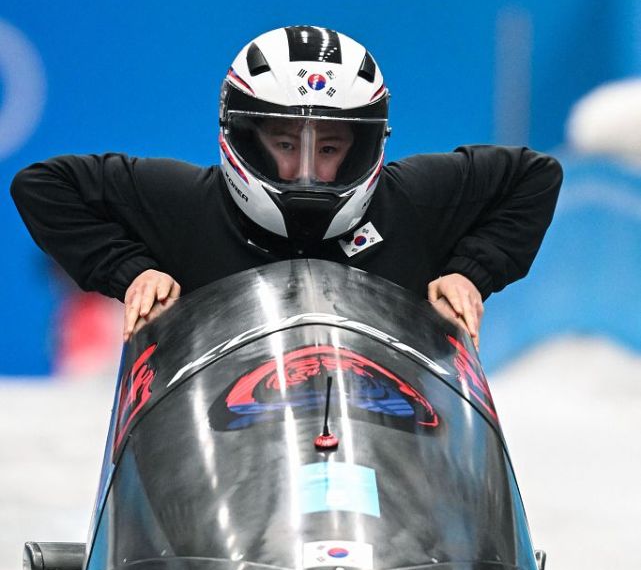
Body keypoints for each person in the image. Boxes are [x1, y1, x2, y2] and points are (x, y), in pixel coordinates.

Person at [10, 25, 562, 351]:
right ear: (242, 136)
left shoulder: (413, 199)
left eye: (328, 149)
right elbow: (43, 185)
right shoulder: (187, 203)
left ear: (366, 143)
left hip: (394, 472)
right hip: (222, 476)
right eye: (283, 143)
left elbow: (535, 175)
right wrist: (132, 271)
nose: (306, 170)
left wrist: (471, 271)